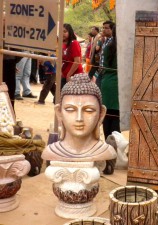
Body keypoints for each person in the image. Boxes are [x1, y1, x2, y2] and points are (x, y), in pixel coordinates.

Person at [41, 73, 117, 162]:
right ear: (59, 112)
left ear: (101, 114)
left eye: (88, 110)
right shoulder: (52, 151)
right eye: (70, 110)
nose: (79, 118)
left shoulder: (105, 151)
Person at [99, 26, 120, 175]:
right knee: (117, 122)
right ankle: (114, 155)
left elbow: (102, 66)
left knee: (106, 117)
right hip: (120, 84)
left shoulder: (108, 46)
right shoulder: (127, 47)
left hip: (107, 83)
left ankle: (107, 156)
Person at [61, 23, 83, 88]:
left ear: (70, 32)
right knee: (58, 97)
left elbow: (77, 61)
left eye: (65, 31)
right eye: (61, 32)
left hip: (74, 76)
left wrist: (68, 75)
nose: (62, 33)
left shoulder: (74, 43)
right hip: (64, 75)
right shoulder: (63, 44)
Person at [94, 21, 115, 88]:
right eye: (103, 28)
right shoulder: (106, 40)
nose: (104, 30)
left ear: (112, 30)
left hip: (108, 72)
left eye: (106, 28)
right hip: (102, 71)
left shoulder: (113, 42)